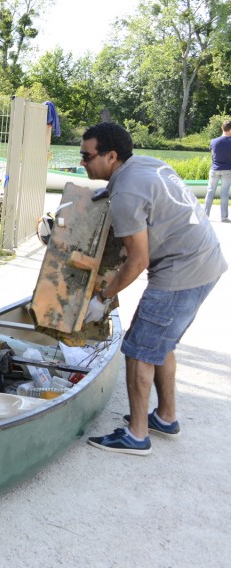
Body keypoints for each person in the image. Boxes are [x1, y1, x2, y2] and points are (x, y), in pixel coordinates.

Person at [79, 122, 226, 455]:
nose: (82, 162)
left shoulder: (127, 193)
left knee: (139, 349)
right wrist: (105, 194)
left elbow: (137, 260)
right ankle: (166, 417)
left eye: (87, 156)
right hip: (207, 261)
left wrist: (102, 299)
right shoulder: (144, 164)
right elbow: (140, 196)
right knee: (161, 343)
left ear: (111, 156)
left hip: (180, 272)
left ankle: (136, 435)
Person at [203, 119, 231, 223]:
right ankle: (223, 217)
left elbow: (213, 154)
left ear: (222, 128)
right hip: (227, 170)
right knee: (224, 193)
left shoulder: (214, 141)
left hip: (215, 169)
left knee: (210, 192)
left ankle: (205, 215)